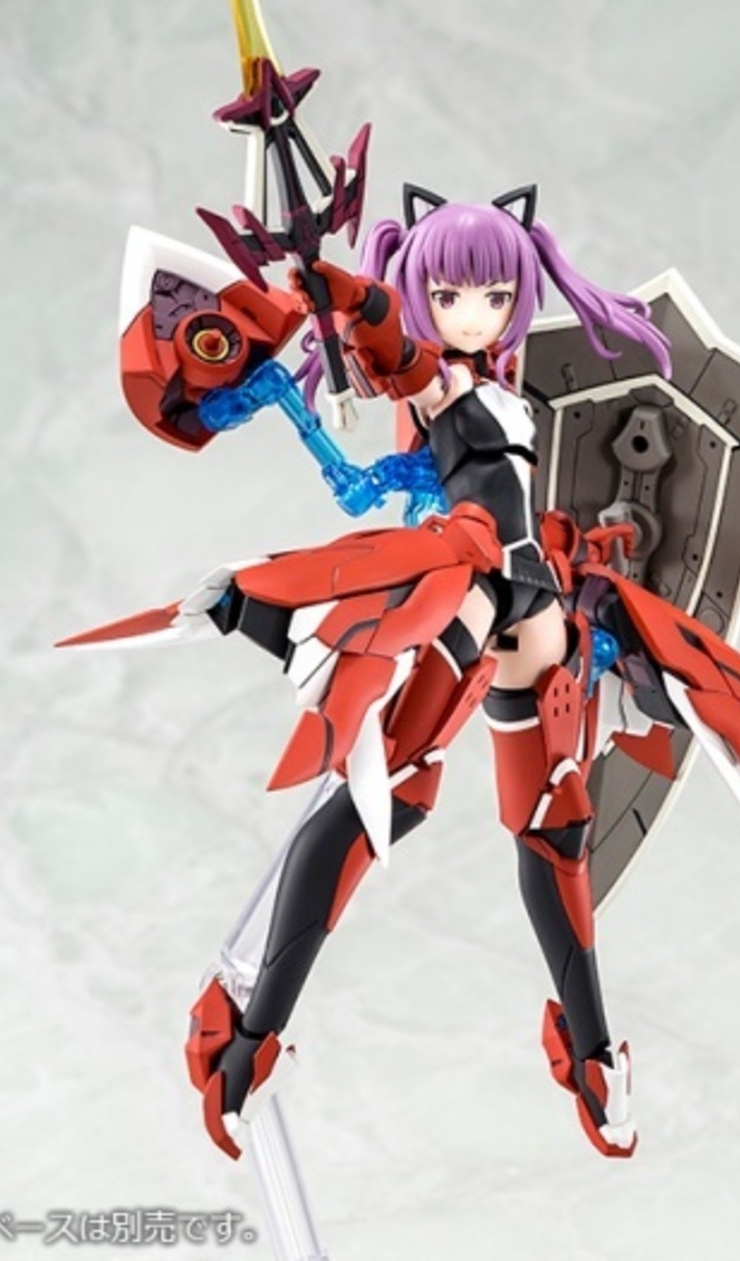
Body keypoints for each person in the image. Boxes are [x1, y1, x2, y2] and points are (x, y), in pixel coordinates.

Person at [185, 185, 673, 1160]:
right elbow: (391, 352)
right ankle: (251, 1038)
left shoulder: (503, 391)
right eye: (449, 296)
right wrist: (330, 295)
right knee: (382, 798)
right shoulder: (438, 387)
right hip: (475, 589)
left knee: (556, 830)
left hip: (537, 603)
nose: (474, 314)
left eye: (494, 296)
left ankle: (591, 1059)